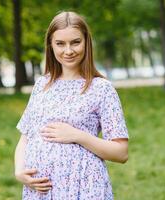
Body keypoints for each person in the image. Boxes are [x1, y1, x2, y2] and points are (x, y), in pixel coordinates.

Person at [14, 11, 129, 200]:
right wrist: (19, 171)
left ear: (86, 42)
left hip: (85, 189)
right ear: (50, 45)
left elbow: (121, 152)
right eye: (60, 43)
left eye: (75, 42)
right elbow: (26, 137)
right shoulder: (42, 85)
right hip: (41, 192)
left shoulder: (101, 89)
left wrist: (77, 136)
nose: (68, 51)